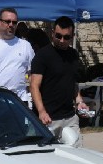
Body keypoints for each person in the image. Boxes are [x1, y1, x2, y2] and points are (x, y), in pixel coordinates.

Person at [30, 16, 89, 147]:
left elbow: (72, 82)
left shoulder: (73, 55)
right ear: (52, 33)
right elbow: (34, 86)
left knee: (77, 153)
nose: (62, 40)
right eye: (58, 36)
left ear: (72, 36)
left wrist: (79, 101)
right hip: (48, 118)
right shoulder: (42, 56)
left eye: (66, 37)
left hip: (69, 117)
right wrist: (41, 111)